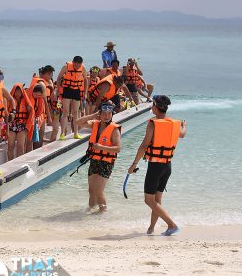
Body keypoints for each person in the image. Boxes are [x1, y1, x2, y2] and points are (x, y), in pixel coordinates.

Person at [128, 95, 186, 236]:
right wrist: (184, 126)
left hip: (155, 167)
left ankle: (172, 225)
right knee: (157, 200)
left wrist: (133, 164)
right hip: (167, 166)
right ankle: (151, 229)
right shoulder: (174, 123)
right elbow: (182, 134)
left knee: (149, 200)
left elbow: (144, 145)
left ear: (155, 106)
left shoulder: (153, 123)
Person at [76, 103, 121, 212]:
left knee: (99, 191)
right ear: (99, 114)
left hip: (107, 163)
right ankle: (91, 210)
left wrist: (102, 147)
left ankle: (103, 213)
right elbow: (78, 122)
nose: (107, 116)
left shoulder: (114, 129)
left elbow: (118, 148)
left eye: (109, 114)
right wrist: (93, 115)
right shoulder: (94, 124)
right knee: (91, 190)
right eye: (104, 114)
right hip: (94, 160)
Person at [56, 56, 88, 140]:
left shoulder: (83, 68)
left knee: (75, 112)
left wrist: (85, 92)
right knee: (65, 112)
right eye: (76, 65)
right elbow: (59, 78)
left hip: (76, 90)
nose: (77, 67)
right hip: (67, 90)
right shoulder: (66, 67)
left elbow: (85, 80)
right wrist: (59, 89)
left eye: (79, 65)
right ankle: (62, 133)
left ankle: (76, 133)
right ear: (73, 62)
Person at [7, 83, 33, 160]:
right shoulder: (10, 101)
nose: (17, 93)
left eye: (19, 91)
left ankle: (19, 162)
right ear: (13, 92)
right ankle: (10, 161)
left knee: (20, 145)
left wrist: (29, 110)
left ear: (22, 92)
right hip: (12, 125)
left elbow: (30, 114)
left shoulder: (26, 101)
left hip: (22, 125)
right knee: (10, 145)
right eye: (16, 91)